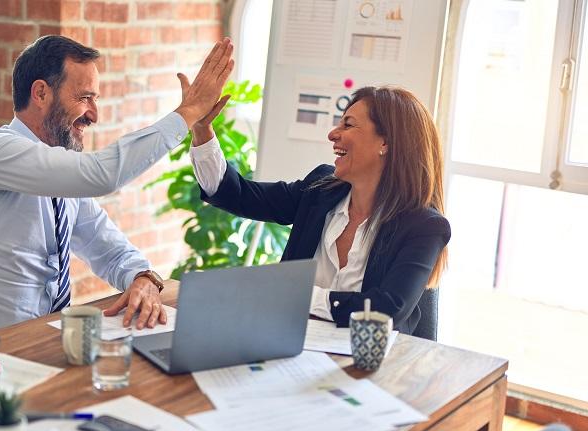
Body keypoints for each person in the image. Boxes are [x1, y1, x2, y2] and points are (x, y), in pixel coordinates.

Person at [0, 35, 233, 341]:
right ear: (41, 94)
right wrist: (189, 112)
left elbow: (108, 248)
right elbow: (102, 175)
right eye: (85, 98)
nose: (94, 115)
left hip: (36, 347)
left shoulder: (61, 180)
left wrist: (142, 277)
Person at [189, 86, 450, 335]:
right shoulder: (320, 190)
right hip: (289, 346)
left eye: (348, 124)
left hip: (371, 366)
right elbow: (238, 195)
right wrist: (202, 129)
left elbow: (386, 310)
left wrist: (297, 294)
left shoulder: (424, 226)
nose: (333, 134)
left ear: (386, 143)